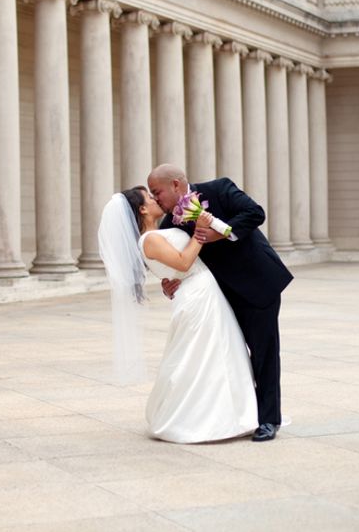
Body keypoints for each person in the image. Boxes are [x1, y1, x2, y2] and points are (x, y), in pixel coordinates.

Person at [98, 187, 258, 443]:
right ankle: (199, 418)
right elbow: (183, 262)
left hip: (202, 291)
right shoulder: (149, 239)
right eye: (149, 198)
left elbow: (175, 268)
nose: (154, 198)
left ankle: (229, 412)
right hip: (196, 297)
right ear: (142, 209)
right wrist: (200, 230)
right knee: (201, 357)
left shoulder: (157, 233)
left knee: (215, 353)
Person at [148, 164, 292, 442]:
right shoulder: (169, 224)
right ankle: (246, 413)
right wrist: (170, 281)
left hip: (257, 283)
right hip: (220, 297)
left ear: (176, 185)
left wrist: (221, 232)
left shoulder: (219, 189)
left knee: (264, 353)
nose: (156, 200)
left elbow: (255, 213)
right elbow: (183, 261)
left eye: (158, 193)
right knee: (236, 355)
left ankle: (269, 420)